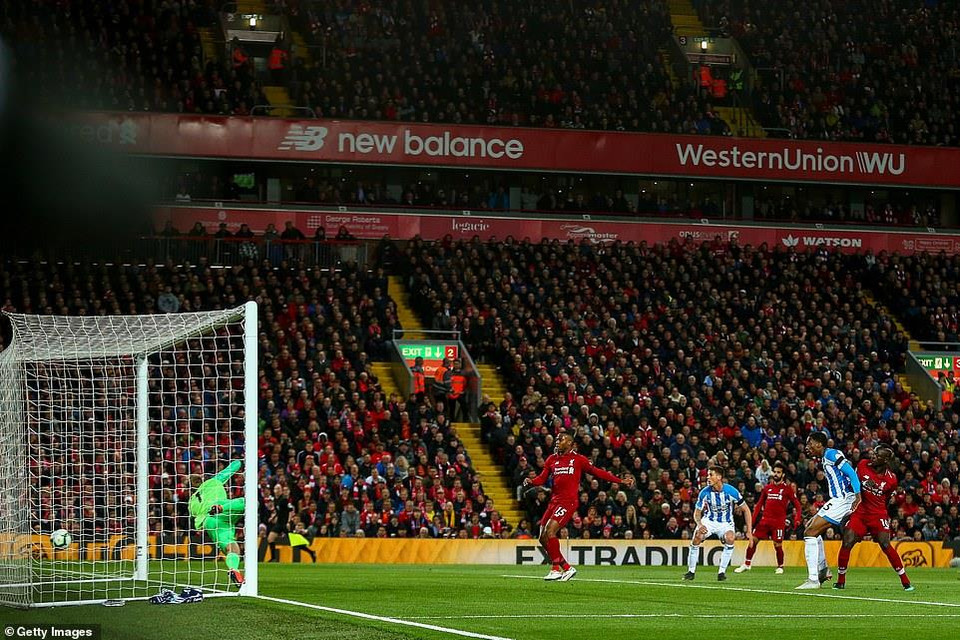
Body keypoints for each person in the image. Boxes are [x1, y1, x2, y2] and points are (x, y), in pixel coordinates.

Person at [523, 431, 631, 581]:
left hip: (568, 502)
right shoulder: (551, 459)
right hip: (554, 502)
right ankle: (567, 568)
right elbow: (542, 479)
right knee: (542, 538)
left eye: (561, 439)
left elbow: (598, 472)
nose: (557, 441)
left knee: (550, 531)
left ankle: (555, 568)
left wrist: (620, 481)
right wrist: (531, 481)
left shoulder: (578, 460)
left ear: (570, 443)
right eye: (557, 439)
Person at [834, 447, 913, 591]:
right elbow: (852, 482)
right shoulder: (863, 464)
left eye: (877, 454)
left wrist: (883, 509)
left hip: (878, 513)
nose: (873, 456)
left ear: (886, 460)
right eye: (874, 453)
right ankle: (840, 580)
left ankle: (905, 581)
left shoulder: (892, 479)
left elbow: (888, 497)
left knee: (885, 543)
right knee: (847, 540)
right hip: (861, 511)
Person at [796, 432, 861, 589]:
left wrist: (858, 495)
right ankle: (823, 570)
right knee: (810, 528)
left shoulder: (832, 453)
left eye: (809, 443)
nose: (807, 447)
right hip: (838, 499)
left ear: (819, 444)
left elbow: (851, 472)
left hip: (844, 499)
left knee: (810, 532)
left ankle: (813, 580)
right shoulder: (825, 457)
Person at [684, 466, 752, 582]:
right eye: (708, 475)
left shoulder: (731, 491)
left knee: (730, 538)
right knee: (697, 537)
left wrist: (749, 531)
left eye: (711, 475)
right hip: (709, 521)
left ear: (719, 477)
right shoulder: (704, 493)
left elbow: (746, 510)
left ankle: (721, 573)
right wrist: (700, 525)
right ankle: (691, 571)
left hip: (725, 523)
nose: (708, 477)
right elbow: (697, 513)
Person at [735, 461, 801, 574]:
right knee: (753, 541)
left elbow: (798, 506)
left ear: (783, 475)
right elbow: (759, 505)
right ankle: (747, 564)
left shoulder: (787, 489)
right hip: (765, 521)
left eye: (778, 472)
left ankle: (780, 566)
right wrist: (752, 521)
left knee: (777, 545)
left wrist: (797, 518)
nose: (775, 474)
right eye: (774, 472)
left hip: (778, 522)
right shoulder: (767, 488)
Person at [187, 460, 245, 587]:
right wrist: (241, 461)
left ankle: (234, 570)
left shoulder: (191, 502)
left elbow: (194, 522)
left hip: (209, 522)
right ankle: (220, 507)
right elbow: (234, 466)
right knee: (247, 502)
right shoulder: (213, 482)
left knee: (231, 548)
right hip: (222, 509)